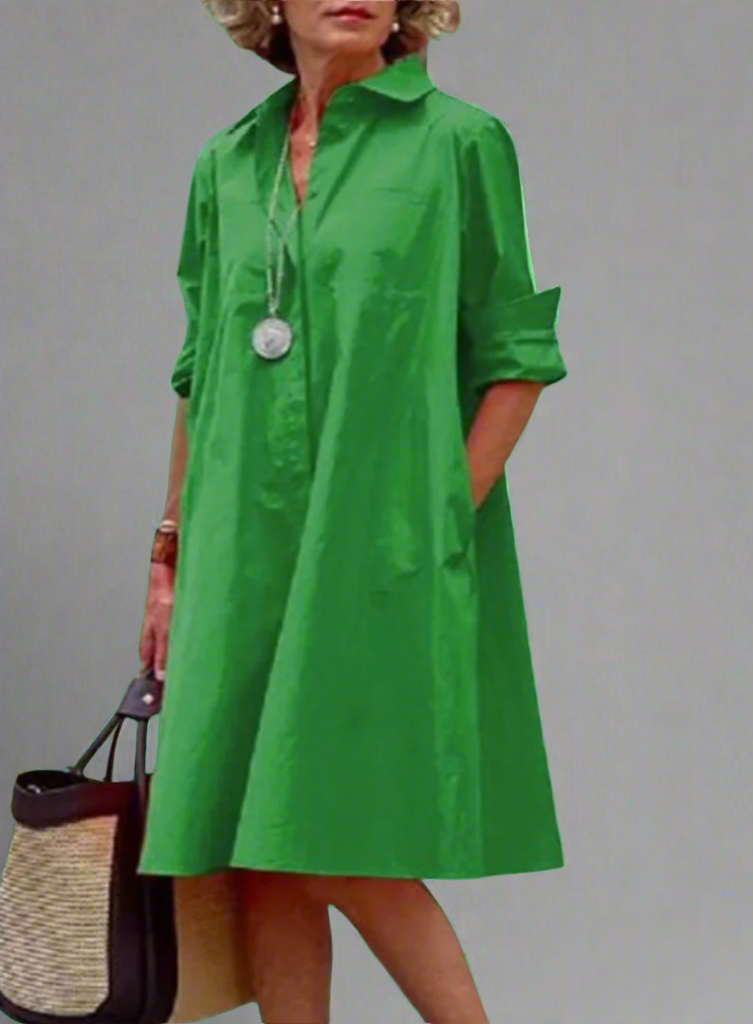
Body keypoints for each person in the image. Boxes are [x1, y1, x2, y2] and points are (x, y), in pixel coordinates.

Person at [136, 2, 568, 1021]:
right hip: (237, 550)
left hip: (377, 550)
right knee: (264, 851)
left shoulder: (458, 144)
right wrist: (169, 553)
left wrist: (436, 518)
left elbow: (517, 357)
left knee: (343, 841)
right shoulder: (226, 164)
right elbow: (200, 374)